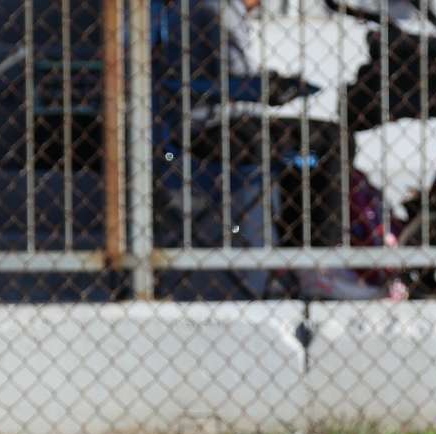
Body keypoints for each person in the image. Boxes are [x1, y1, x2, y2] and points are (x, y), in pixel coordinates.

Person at [151, 0, 390, 300]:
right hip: (211, 129)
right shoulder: (217, 10)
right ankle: (318, 265)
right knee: (332, 140)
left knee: (302, 152)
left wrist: (268, 85)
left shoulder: (207, 8)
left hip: (203, 127)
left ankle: (300, 260)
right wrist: (272, 86)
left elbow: (225, 77)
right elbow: (231, 82)